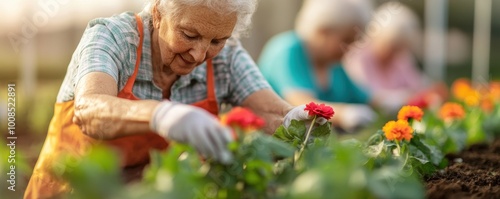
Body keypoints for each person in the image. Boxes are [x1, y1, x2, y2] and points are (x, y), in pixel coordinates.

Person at [25, 1, 320, 198]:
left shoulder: (227, 56)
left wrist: (294, 117)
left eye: (216, 41)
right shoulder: (111, 37)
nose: (200, 54)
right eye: (189, 34)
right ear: (158, 13)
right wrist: (161, 115)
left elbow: (269, 109)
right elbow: (90, 109)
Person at [259, 0, 378, 132]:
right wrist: (344, 114)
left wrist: (396, 100)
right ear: (324, 31)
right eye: (346, 40)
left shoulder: (333, 64)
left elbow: (366, 98)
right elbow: (300, 102)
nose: (351, 48)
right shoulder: (287, 49)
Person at [343, 2, 446, 110]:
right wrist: (406, 97)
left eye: (400, 49)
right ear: (377, 37)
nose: (395, 55)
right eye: (392, 48)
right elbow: (368, 96)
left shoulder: (401, 57)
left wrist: (431, 91)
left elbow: (419, 84)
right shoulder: (358, 56)